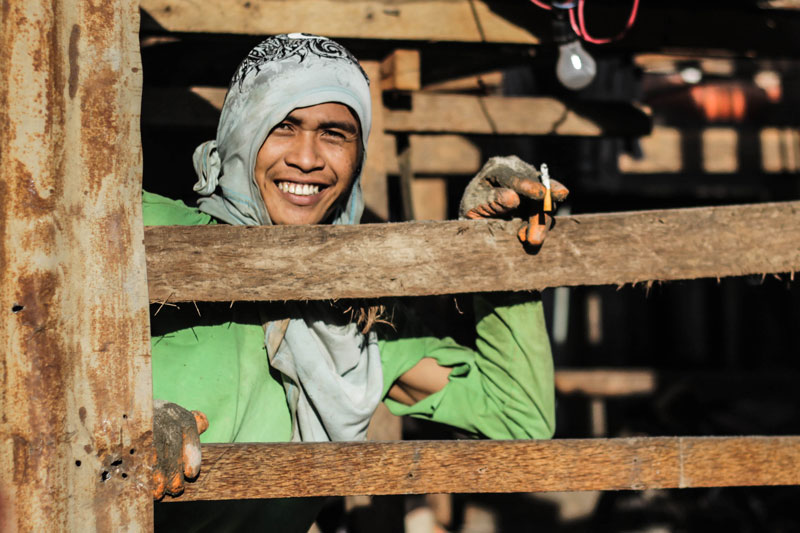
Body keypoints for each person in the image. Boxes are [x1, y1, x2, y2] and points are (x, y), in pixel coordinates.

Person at [145, 33, 568, 532]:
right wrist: (127, 418)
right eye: (283, 125)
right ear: (241, 132)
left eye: (335, 134)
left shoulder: (357, 325)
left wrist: (494, 250)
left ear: (358, 156)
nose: (307, 158)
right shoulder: (144, 230)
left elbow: (519, 422)